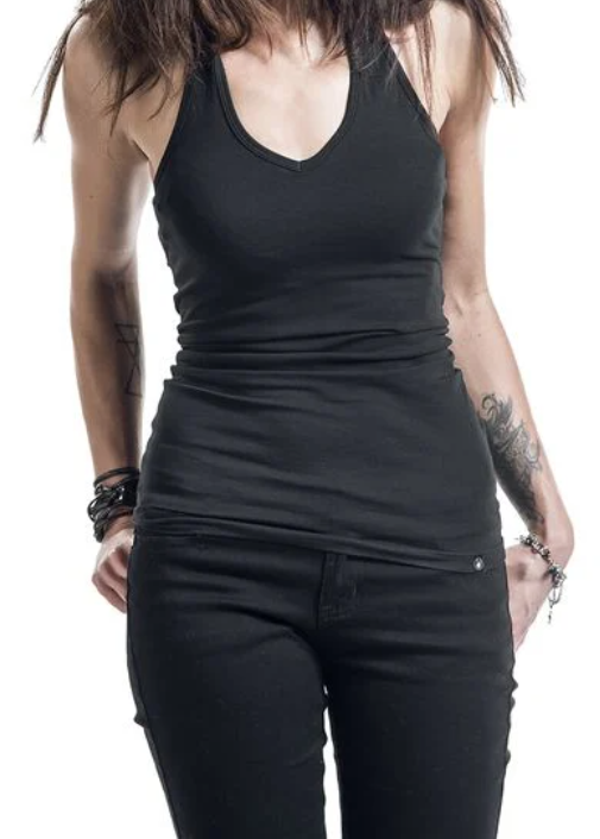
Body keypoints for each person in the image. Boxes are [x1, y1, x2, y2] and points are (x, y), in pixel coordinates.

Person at [36, 1, 574, 836]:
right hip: (217, 559)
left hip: (427, 552)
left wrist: (550, 525)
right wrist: (117, 500)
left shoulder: (438, 34)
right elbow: (102, 277)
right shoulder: (124, 46)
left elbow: (464, 295)